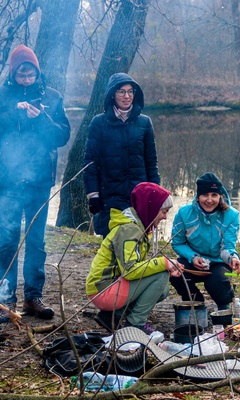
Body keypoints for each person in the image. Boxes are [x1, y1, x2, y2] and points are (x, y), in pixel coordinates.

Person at [0, 45, 70, 323]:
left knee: (37, 241)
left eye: (31, 75)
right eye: (21, 75)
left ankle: (33, 297)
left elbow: (62, 135)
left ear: (37, 72)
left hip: (39, 181)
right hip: (7, 181)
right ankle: (6, 298)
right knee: (6, 239)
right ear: (13, 73)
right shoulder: (2, 96)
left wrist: (41, 118)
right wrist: (13, 115)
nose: (26, 79)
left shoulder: (52, 98)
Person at [86, 182, 184, 333]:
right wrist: (163, 263)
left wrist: (166, 265)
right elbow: (130, 271)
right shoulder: (130, 231)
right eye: (164, 211)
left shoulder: (137, 227)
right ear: (150, 209)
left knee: (162, 289)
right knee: (161, 275)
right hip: (103, 290)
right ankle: (135, 324)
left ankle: (113, 315)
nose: (165, 217)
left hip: (109, 286)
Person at [83, 73, 160, 238]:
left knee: (137, 246)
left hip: (139, 196)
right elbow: (90, 163)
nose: (127, 96)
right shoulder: (99, 123)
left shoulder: (145, 123)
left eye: (130, 92)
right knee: (111, 247)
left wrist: (156, 194)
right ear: (112, 94)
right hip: (109, 196)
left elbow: (151, 163)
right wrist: (93, 195)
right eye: (121, 92)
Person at [169, 172, 240, 311]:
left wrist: (232, 258)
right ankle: (195, 303)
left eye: (214, 195)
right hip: (192, 260)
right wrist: (193, 257)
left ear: (220, 196)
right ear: (198, 196)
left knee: (218, 282)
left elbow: (227, 246)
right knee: (176, 273)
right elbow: (177, 243)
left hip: (218, 261)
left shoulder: (232, 215)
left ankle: (224, 305)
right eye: (205, 195)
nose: (209, 200)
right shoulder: (184, 213)